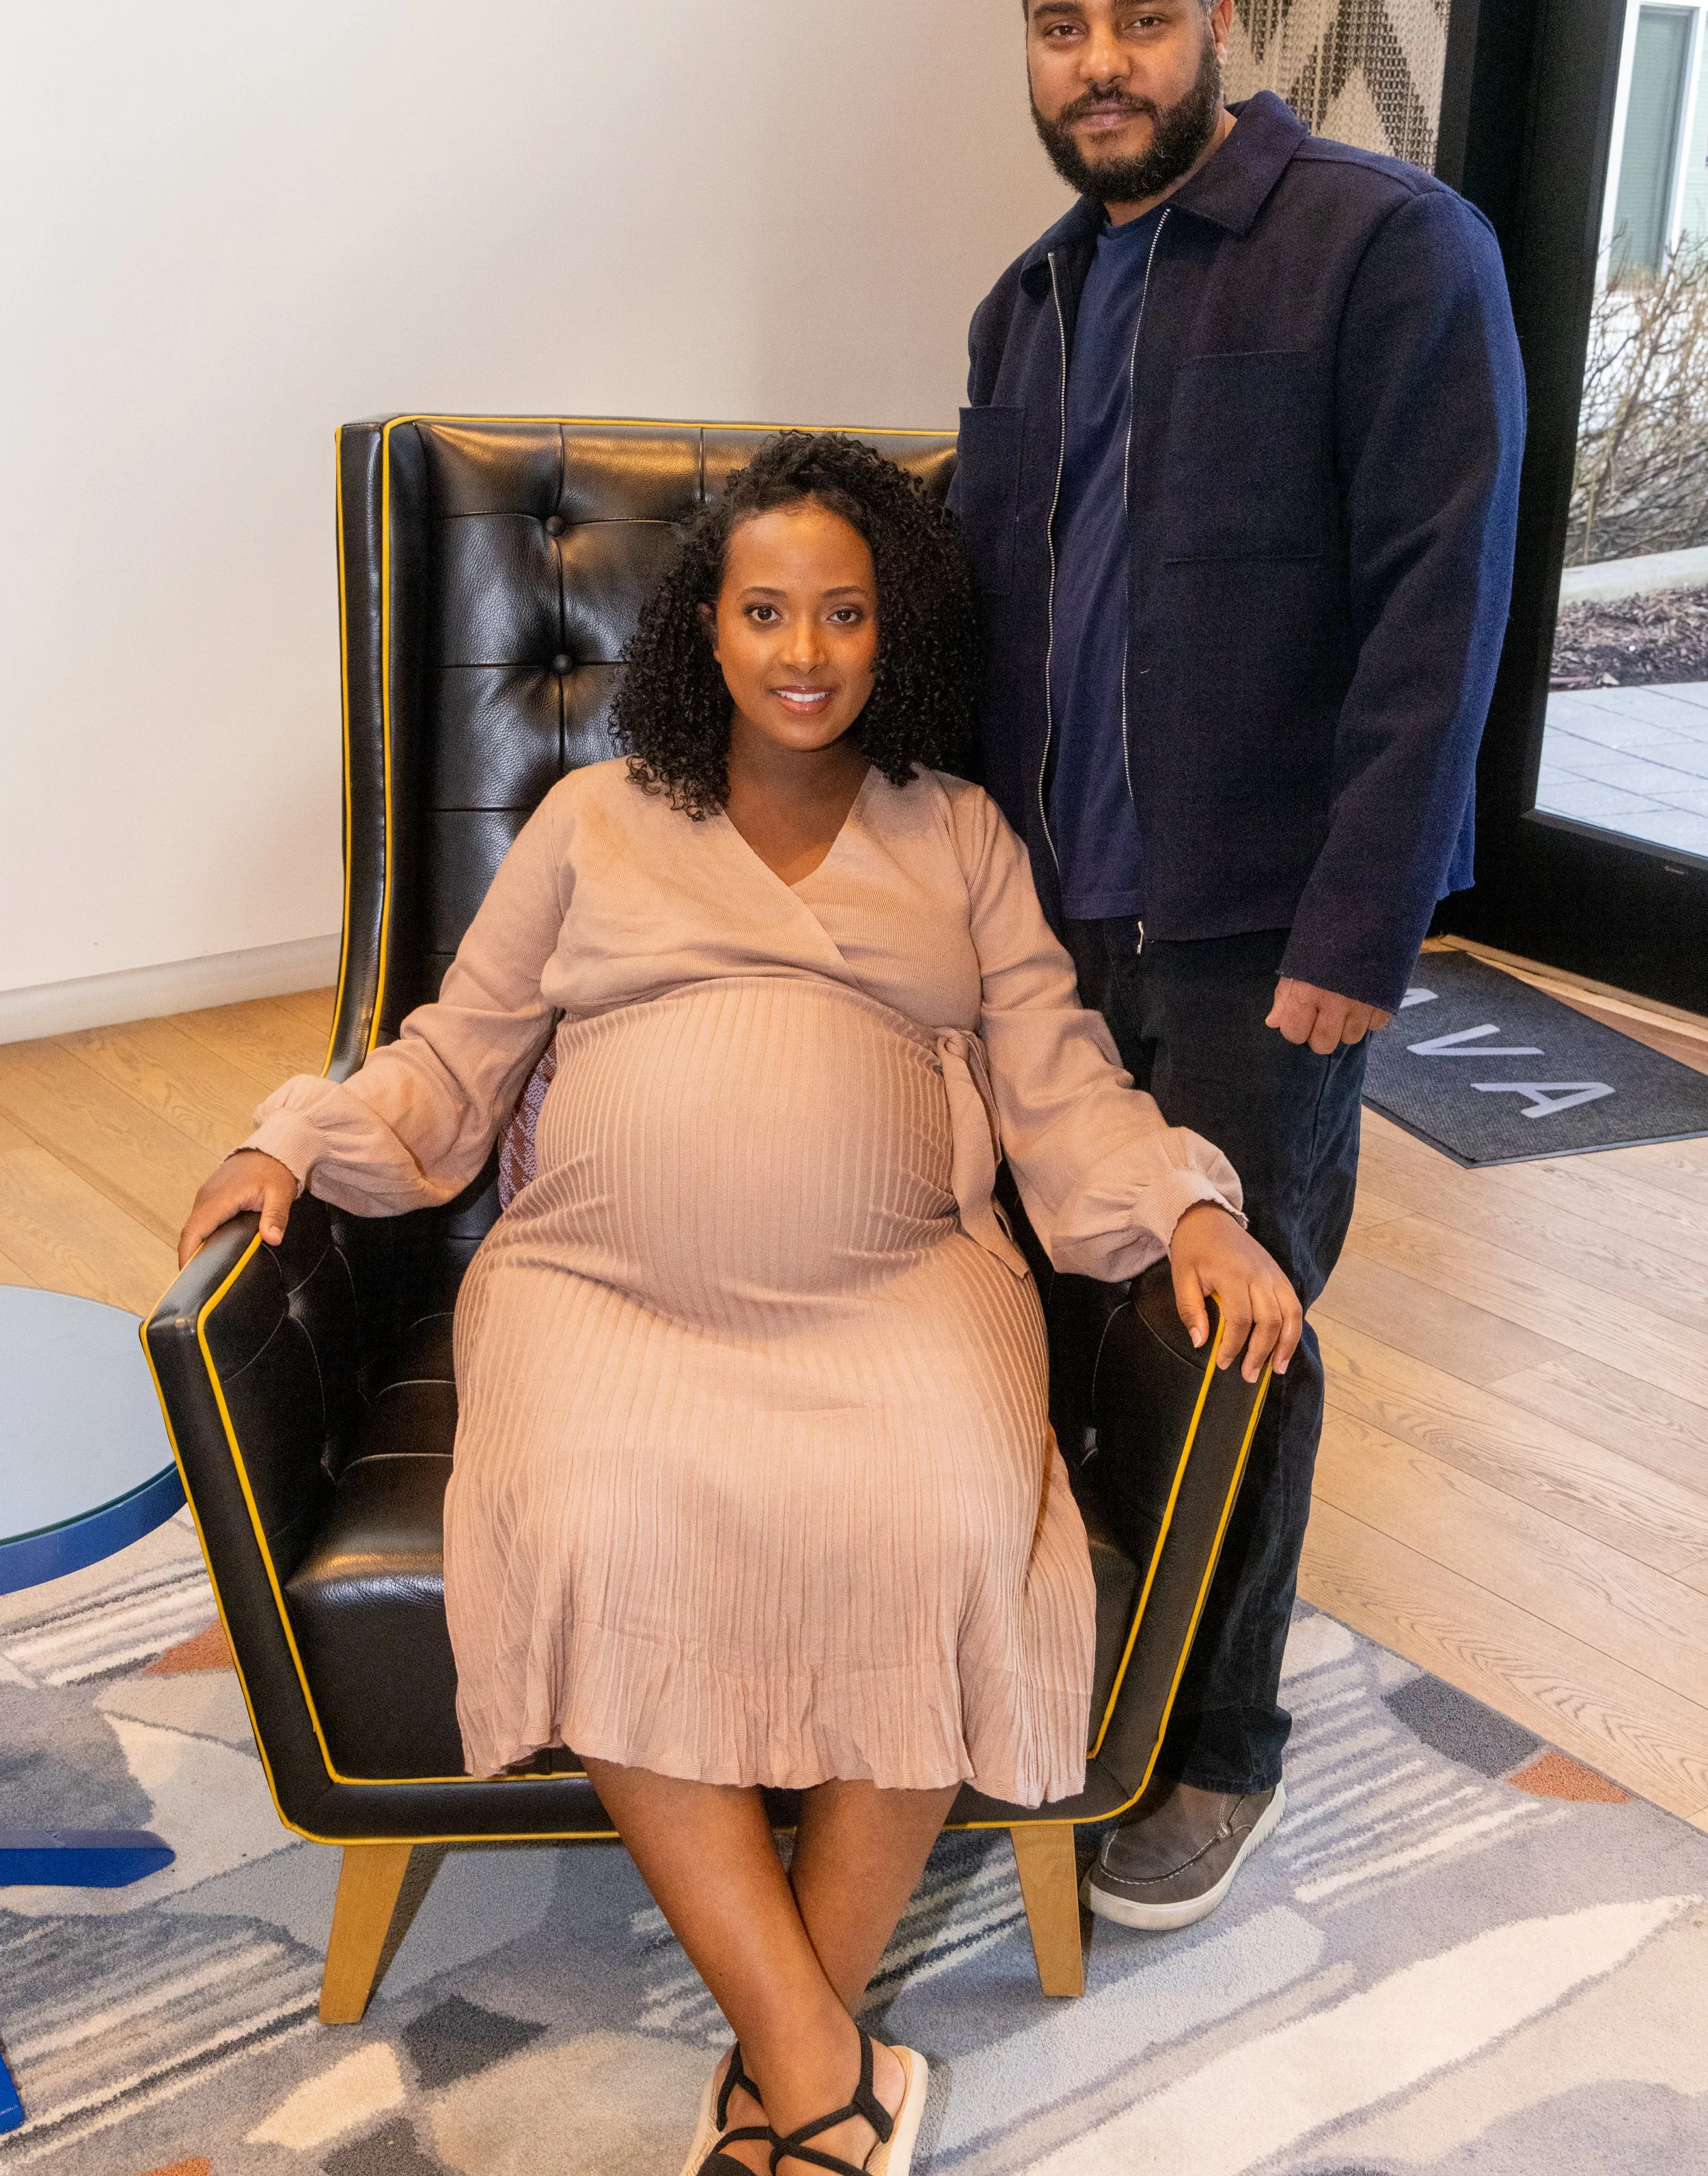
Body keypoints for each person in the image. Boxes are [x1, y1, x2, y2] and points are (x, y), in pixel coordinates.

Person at [178, 433, 1300, 2176]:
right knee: (586, 1513)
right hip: (603, 1285)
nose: (801, 650)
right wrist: (294, 1142)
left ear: (891, 631)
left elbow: (1061, 1081)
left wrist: (1185, 1211)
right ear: (701, 626)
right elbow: (451, 1061)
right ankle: (816, 2071)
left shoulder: (961, 835)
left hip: (899, 1289)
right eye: (763, 608)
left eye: (841, 613)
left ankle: (792, 2078)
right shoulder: (592, 819)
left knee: (947, 1522)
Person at [956, 0, 1525, 1933]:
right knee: (1063, 1307)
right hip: (1050, 928)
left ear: (1218, 23)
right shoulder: (1024, 301)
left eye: (1136, 18)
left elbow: (1433, 615)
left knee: (1235, 1326)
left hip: (1250, 932)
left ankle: (1220, 1746)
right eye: (1057, 26)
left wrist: (1358, 928)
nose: (1097, 64)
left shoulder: (1384, 250)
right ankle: (1083, 1666)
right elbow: (994, 632)